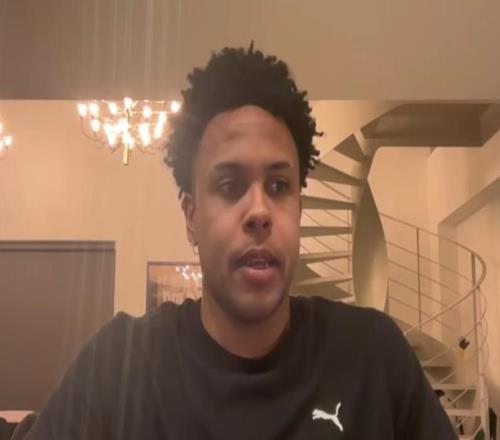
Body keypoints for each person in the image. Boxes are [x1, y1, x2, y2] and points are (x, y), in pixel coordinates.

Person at [27, 44, 457, 439]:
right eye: (230, 186)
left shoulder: (373, 357)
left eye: (279, 186)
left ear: (299, 208)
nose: (259, 211)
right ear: (191, 217)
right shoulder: (117, 369)